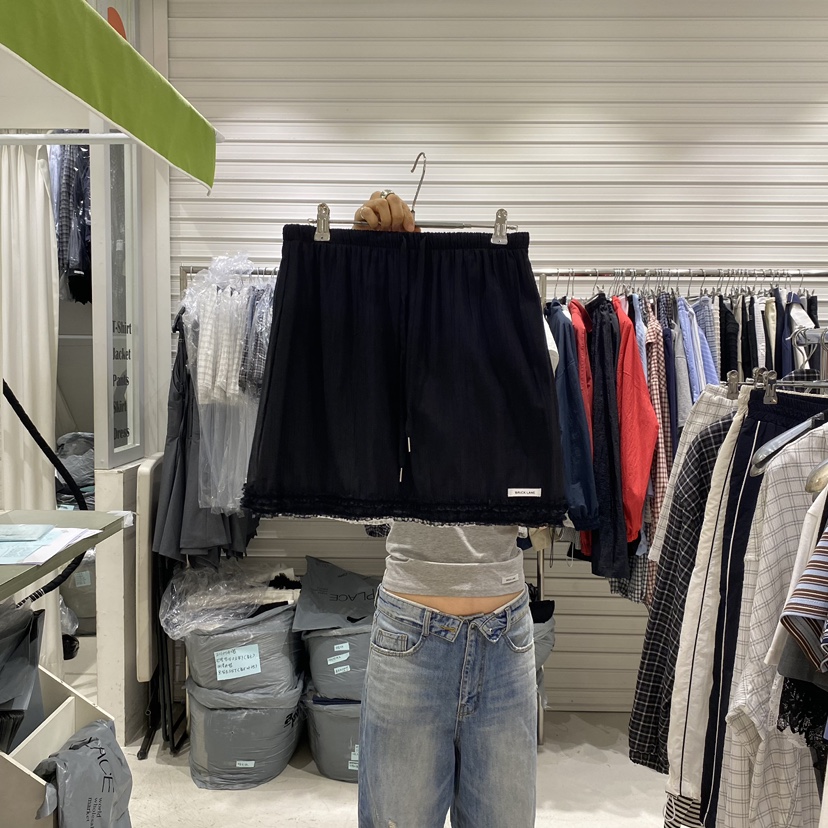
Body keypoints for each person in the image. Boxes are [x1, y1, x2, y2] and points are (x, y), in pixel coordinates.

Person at [354, 191, 537, 828]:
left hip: (504, 634)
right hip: (411, 631)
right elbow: (356, 374)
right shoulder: (397, 334)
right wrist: (380, 263)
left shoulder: (525, 328)